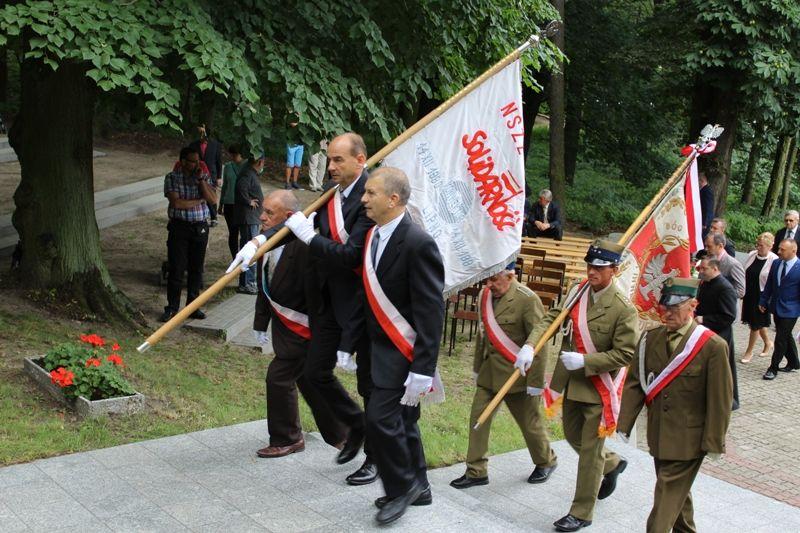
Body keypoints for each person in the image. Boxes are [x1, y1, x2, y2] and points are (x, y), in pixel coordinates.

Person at [230, 132, 377, 485]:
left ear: (361, 159)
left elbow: (351, 255)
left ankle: (374, 457)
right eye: (329, 159)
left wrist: (309, 237)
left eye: (339, 160)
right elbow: (294, 221)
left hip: (362, 305)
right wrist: (258, 240)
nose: (331, 166)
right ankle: (352, 427)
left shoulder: (370, 200)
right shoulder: (333, 193)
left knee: (371, 387)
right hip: (327, 305)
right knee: (312, 374)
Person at [524, 239, 639, 532]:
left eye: (599, 268)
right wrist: (530, 345)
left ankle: (581, 512)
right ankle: (612, 463)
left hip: (598, 387)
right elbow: (552, 318)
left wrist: (587, 361)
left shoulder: (624, 308)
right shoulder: (577, 292)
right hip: (571, 381)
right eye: (589, 265)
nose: (592, 272)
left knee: (589, 452)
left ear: (614, 269)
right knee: (573, 437)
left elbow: (625, 354)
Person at [359, 167, 444, 525]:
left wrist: (423, 369)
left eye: (371, 193)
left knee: (380, 421)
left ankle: (401, 487)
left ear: (393, 200)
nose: (364, 199)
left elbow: (431, 311)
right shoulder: (373, 235)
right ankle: (421, 486)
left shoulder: (417, 242)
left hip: (403, 354)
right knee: (405, 422)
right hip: (377, 349)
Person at [618, 277, 732, 533]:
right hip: (659, 435)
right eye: (664, 306)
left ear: (693, 305)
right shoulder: (651, 338)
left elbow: (720, 400)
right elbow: (636, 383)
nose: (667, 312)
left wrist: (714, 442)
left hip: (689, 441)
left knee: (665, 498)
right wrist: (623, 424)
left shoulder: (712, 346)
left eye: (675, 307)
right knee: (678, 498)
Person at [252, 190, 347, 457]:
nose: (262, 217)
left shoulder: (306, 247)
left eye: (270, 213)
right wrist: (260, 323)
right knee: (310, 380)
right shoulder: (266, 242)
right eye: (263, 210)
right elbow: (264, 287)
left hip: (306, 330)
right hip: (286, 329)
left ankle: (287, 438)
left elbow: (320, 294)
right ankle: (342, 433)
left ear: (290, 217)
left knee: (279, 378)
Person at [450, 270, 557, 490]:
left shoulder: (527, 299)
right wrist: (478, 368)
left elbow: (539, 343)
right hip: (490, 374)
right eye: (486, 280)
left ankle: (546, 461)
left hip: (518, 377)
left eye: (494, 279)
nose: (489, 285)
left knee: (530, 424)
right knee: (478, 420)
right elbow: (483, 335)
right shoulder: (485, 296)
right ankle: (476, 470)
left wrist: (535, 384)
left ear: (510, 275)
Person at [160, 146, 217, 322]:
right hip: (179, 227)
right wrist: (199, 200)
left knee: (196, 269)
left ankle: (193, 307)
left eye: (198, 161)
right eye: (193, 161)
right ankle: (172, 307)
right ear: (183, 161)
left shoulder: (203, 177)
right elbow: (177, 203)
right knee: (177, 268)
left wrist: (200, 181)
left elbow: (213, 200)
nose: (196, 165)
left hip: (199, 227)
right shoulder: (172, 177)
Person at [696, 257, 739, 410]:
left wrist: (704, 319)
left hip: (720, 335)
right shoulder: (706, 283)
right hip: (707, 333)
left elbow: (728, 316)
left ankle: (726, 400)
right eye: (700, 268)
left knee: (721, 371)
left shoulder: (725, 288)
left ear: (715, 269)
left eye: (704, 269)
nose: (701, 272)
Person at [760, 239, 800, 380]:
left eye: (782, 250)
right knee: (786, 335)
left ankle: (773, 368)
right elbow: (770, 284)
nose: (778, 252)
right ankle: (794, 362)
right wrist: (764, 300)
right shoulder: (776, 263)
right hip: (776, 307)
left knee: (780, 338)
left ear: (793, 251)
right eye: (779, 248)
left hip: (791, 310)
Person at [741, 232, 777, 363]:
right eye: (757, 244)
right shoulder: (752, 255)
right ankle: (768, 342)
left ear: (769, 246)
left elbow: (774, 281)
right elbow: (745, 272)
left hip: (762, 295)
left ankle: (749, 351)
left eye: (761, 245)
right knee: (756, 321)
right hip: (749, 293)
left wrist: (769, 299)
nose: (758, 247)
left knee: (755, 324)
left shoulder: (774, 259)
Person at [232, 153, 265, 294]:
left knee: (251, 250)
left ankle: (248, 281)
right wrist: (248, 201)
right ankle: (247, 282)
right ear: (259, 162)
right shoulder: (247, 174)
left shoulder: (251, 173)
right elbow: (240, 188)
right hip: (248, 218)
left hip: (252, 218)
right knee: (250, 250)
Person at [190, 124, 223, 226]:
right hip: (197, 174)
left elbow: (218, 162)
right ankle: (199, 215)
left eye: (203, 134)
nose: (202, 137)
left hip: (211, 174)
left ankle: (214, 217)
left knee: (210, 195)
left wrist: (219, 177)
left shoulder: (215, 145)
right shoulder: (193, 145)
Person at [219, 145, 246, 259]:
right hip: (229, 203)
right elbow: (224, 186)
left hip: (242, 203)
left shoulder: (247, 166)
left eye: (235, 154)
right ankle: (235, 257)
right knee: (233, 232)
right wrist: (220, 204)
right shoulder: (228, 167)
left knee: (244, 233)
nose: (233, 157)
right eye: (231, 154)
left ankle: (244, 256)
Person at [703, 233, 745, 298]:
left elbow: (741, 291)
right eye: (705, 246)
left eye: (709, 246)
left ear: (720, 246)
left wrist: (718, 294)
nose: (706, 249)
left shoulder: (733, 264)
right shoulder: (707, 260)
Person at [285, 111, 303, 190]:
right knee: (290, 164)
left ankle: (295, 182)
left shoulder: (303, 116)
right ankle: (287, 183)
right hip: (291, 144)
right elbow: (293, 125)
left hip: (300, 144)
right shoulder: (291, 116)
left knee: (297, 165)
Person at [698, 171, 714, 240]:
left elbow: (708, 207)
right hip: (702, 219)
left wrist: (705, 222)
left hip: (704, 221)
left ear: (702, 180)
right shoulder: (703, 190)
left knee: (702, 238)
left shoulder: (707, 191)